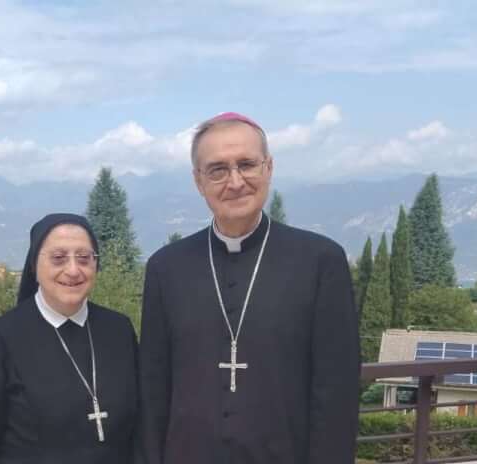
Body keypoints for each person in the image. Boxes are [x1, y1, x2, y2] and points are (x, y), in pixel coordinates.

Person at [139, 112, 360, 463]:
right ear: (198, 181)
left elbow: (336, 391)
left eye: (246, 165)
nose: (235, 181)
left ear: (268, 168)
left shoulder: (320, 261)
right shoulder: (166, 268)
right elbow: (153, 389)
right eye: (218, 170)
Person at [0, 213, 138, 464]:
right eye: (58, 258)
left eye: (84, 258)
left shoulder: (119, 330)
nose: (73, 270)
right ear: (34, 265)